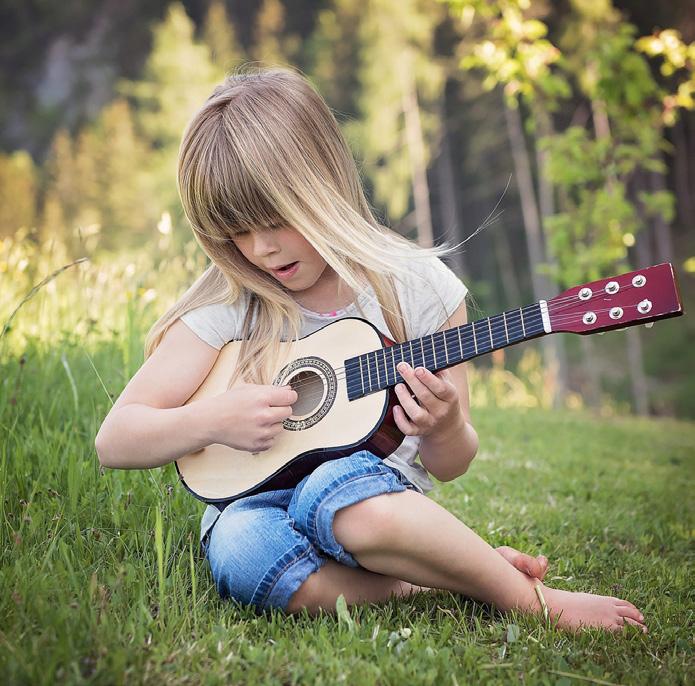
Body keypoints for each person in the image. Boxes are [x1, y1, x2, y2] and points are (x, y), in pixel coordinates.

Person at [95, 65, 646, 632]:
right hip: (255, 504)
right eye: (237, 231)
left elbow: (451, 464)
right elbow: (116, 440)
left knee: (336, 490)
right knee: (237, 549)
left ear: (322, 183)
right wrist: (209, 419)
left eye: (276, 219)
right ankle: (438, 576)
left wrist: (444, 426)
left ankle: (530, 600)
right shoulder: (231, 303)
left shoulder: (416, 286)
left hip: (373, 503)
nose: (260, 248)